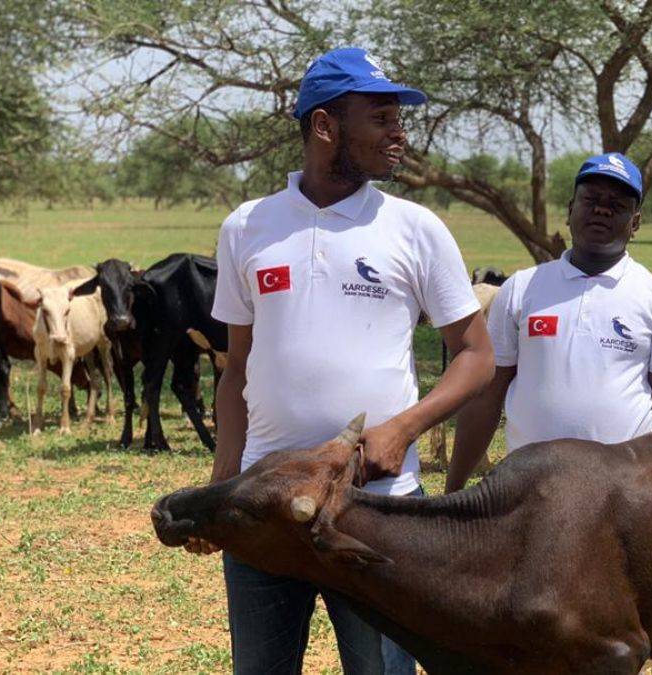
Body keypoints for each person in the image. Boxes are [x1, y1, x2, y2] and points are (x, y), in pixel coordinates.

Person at [187, 47, 495, 675]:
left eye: (398, 117)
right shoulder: (247, 227)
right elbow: (237, 368)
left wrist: (403, 429)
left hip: (378, 505)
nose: (399, 132)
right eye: (381, 118)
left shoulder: (415, 229)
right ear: (326, 126)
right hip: (264, 504)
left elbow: (476, 354)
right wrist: (223, 485)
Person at [445, 152, 652, 492]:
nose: (601, 209)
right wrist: (453, 490)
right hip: (529, 489)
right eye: (591, 199)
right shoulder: (522, 288)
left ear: (635, 222)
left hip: (622, 490)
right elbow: (487, 397)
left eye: (617, 204)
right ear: (570, 210)